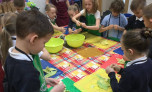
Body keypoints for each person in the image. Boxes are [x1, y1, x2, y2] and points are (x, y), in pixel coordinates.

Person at [3, 10, 65, 92]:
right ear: (34, 39)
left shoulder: (9, 57)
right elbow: (26, 81)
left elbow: (17, 84)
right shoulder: (29, 74)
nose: (44, 46)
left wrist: (44, 80)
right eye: (44, 43)